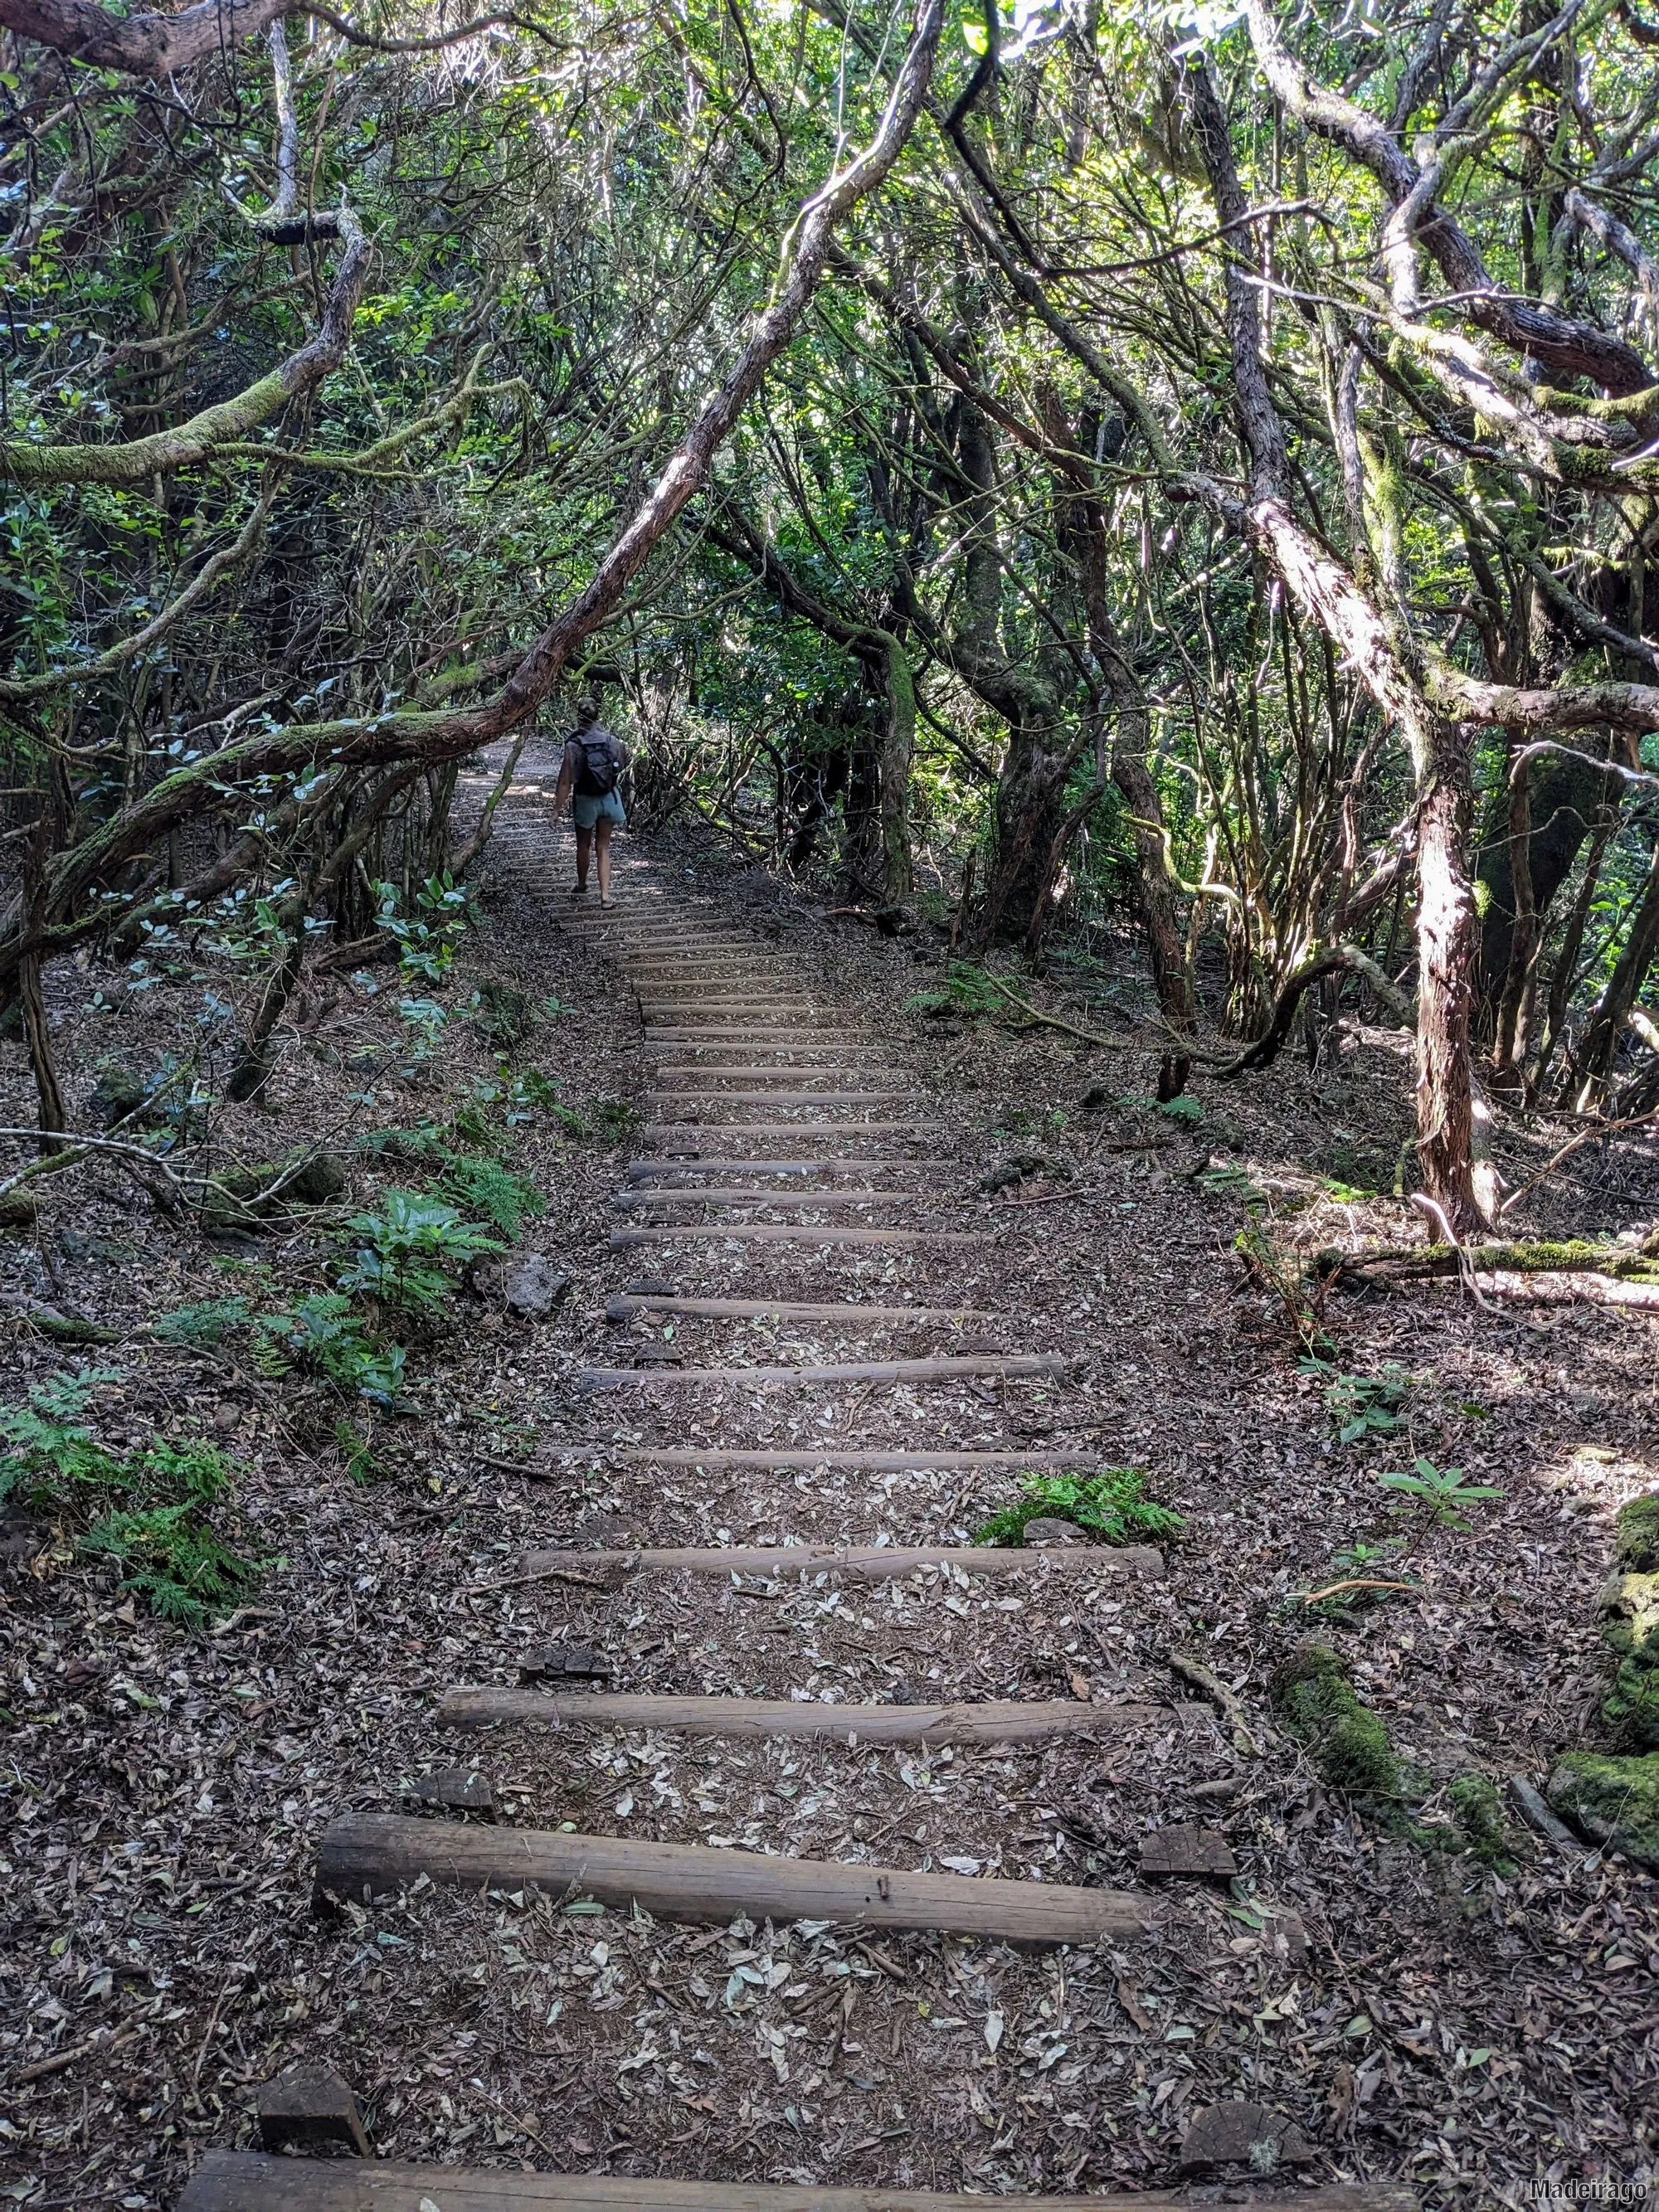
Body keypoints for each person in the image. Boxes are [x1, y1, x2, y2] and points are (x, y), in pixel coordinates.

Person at [553, 695, 628, 906]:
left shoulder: (573, 744)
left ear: (578, 715)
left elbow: (566, 782)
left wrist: (556, 810)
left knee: (583, 845)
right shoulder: (612, 741)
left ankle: (582, 884)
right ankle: (605, 896)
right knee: (603, 846)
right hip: (609, 798)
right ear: (598, 714)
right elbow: (619, 766)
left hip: (586, 799)